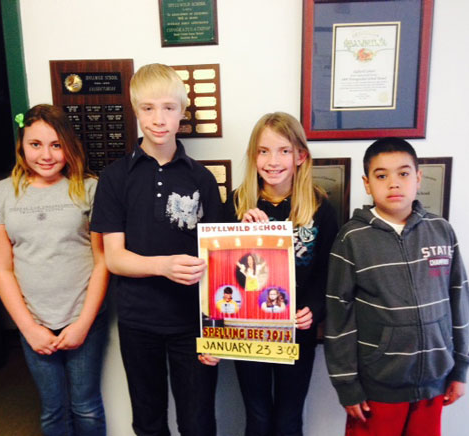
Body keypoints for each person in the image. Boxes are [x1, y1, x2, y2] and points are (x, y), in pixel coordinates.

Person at [90, 63, 221, 436]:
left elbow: (220, 256)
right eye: (148, 108)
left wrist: (219, 330)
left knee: (198, 422)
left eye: (168, 107)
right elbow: (113, 257)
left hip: (193, 323)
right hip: (138, 321)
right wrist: (163, 266)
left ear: (183, 111)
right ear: (135, 110)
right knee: (147, 422)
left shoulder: (201, 178)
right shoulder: (115, 178)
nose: (158, 118)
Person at [324, 137, 468, 436]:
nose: (393, 183)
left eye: (403, 173)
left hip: (434, 381)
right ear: (367, 183)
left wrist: (461, 368)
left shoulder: (441, 230)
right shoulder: (352, 239)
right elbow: (339, 315)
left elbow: (459, 300)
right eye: (381, 175)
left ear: (418, 177)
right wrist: (346, 384)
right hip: (378, 386)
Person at [207, 112, 338, 436]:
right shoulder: (238, 204)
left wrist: (314, 309)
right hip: (249, 329)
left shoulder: (320, 207)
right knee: (258, 417)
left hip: (296, 331)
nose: (273, 160)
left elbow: (328, 271)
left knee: (288, 419)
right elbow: (220, 274)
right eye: (263, 151)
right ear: (253, 156)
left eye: (283, 150)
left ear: (300, 156)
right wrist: (244, 233)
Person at [0, 104, 109, 436]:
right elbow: (2, 269)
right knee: (53, 411)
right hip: (34, 321)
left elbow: (102, 262)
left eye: (56, 144)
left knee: (86, 407)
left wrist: (83, 323)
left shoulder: (90, 188)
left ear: (69, 145)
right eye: (35, 144)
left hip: (83, 319)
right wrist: (28, 327)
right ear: (21, 146)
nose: (46, 155)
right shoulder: (2, 195)